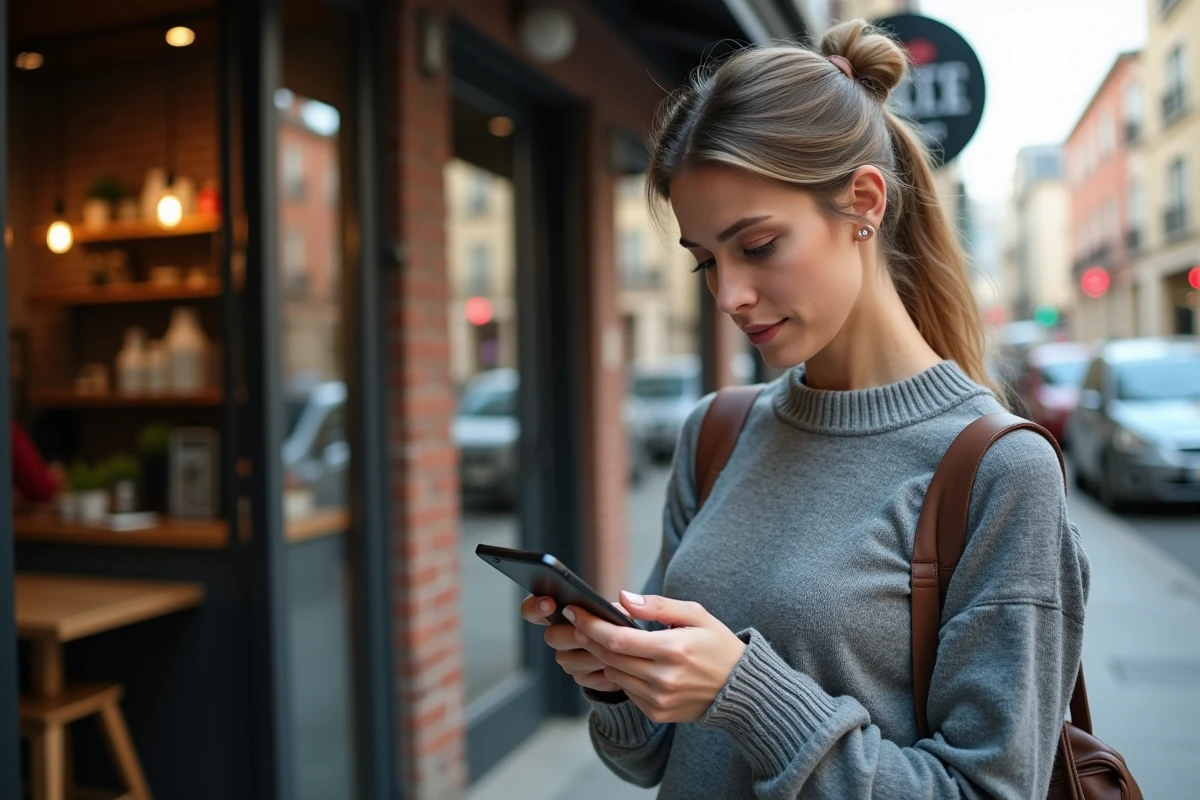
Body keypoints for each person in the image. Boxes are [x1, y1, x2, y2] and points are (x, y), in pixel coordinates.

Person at [519, 19, 1088, 799]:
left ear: (863, 203)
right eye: (706, 262)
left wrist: (747, 694)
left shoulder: (998, 471)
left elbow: (987, 790)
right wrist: (617, 681)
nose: (729, 294)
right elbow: (651, 760)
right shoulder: (716, 434)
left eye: (756, 246)